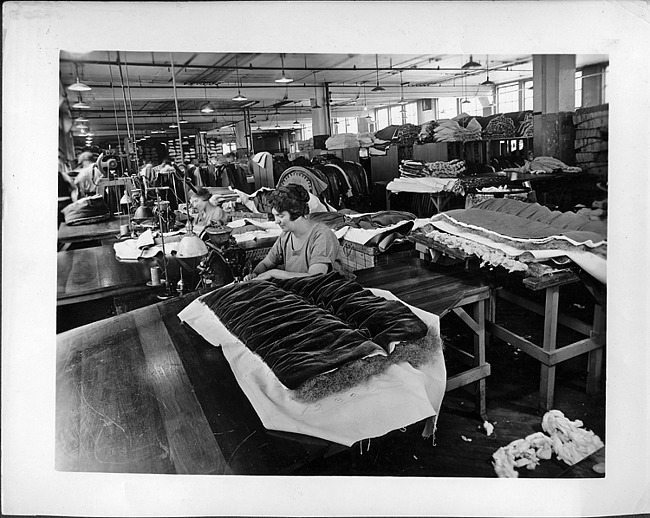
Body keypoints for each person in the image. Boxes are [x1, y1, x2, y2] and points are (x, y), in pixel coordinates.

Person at [243, 184, 340, 281]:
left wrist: (273, 273)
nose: (276, 221)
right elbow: (265, 263)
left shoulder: (322, 236)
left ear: (295, 212)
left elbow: (315, 278)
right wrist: (254, 275)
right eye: (275, 216)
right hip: (294, 291)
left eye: (280, 216)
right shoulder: (286, 235)